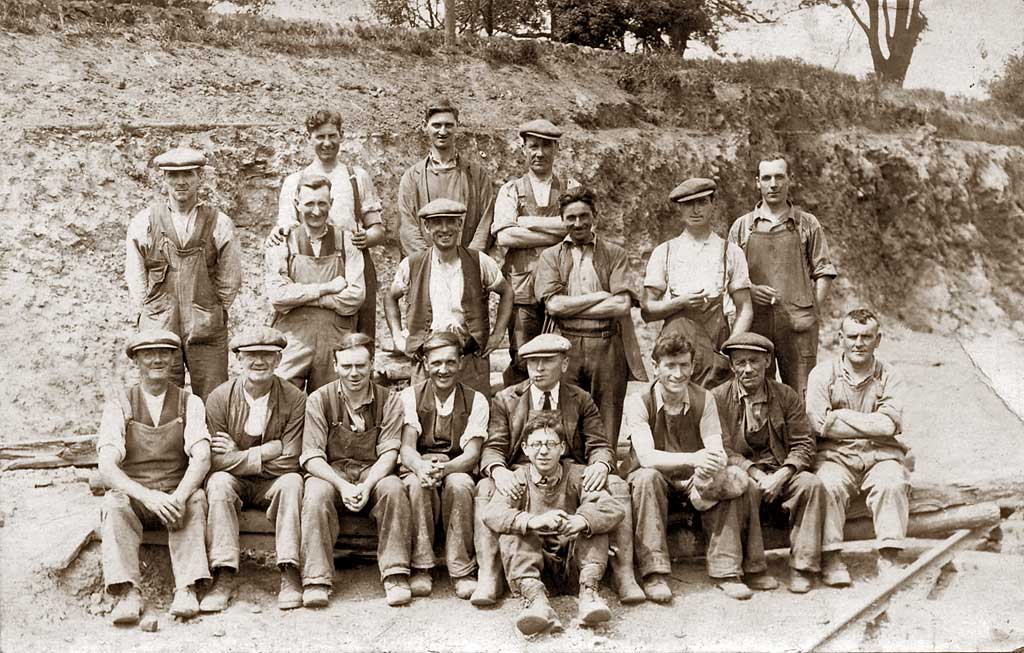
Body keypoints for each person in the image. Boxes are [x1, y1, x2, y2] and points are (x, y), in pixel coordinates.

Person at [474, 333, 645, 607]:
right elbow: (494, 446)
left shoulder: (580, 398)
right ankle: (490, 573)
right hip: (522, 478)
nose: (538, 369)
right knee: (485, 488)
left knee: (616, 485)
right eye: (532, 363)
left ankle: (624, 572)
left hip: (569, 476)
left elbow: (599, 444)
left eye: (546, 362)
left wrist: (600, 464)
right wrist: (498, 470)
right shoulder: (506, 399)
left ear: (564, 364)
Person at [625, 331, 775, 602]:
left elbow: (715, 448)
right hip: (656, 479)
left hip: (693, 478)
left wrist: (706, 470)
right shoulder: (639, 401)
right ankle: (654, 572)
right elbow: (647, 457)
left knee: (729, 478)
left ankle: (727, 571)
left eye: (684, 365)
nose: (678, 374)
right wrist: (696, 459)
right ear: (656, 367)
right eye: (670, 366)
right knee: (647, 478)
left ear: (693, 367)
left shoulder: (704, 399)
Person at [97, 329, 211, 624]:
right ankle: (127, 593)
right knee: (113, 504)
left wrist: (179, 496)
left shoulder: (191, 403)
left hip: (175, 495)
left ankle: (186, 588)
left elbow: (201, 456)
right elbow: (107, 466)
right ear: (136, 360)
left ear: (174, 358)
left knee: (196, 499)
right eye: (149, 354)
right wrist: (147, 496)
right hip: (137, 496)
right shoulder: (120, 404)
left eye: (164, 353)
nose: (157, 359)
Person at [298, 333, 413, 607]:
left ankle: (395, 574)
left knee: (394, 488)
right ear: (335, 366)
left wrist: (367, 484)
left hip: (373, 472)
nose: (354, 373)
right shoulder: (318, 400)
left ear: (371, 364)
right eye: (347, 366)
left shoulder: (390, 400)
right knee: (315, 492)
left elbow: (390, 453)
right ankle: (316, 579)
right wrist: (342, 485)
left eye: (360, 366)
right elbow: (312, 457)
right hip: (332, 472)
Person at [483, 412, 623, 635]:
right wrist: (533, 521)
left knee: (593, 524)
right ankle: (536, 602)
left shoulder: (579, 475)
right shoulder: (518, 478)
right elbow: (492, 513)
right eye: (537, 444)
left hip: (576, 565)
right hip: (537, 568)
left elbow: (613, 509)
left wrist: (581, 520)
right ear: (526, 449)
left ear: (563, 447)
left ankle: (589, 595)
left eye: (550, 444)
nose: (544, 451)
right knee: (515, 528)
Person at [201, 327, 306, 612]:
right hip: (235, 481)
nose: (258, 362)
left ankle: (289, 571)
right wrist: (266, 451)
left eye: (267, 355)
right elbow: (214, 461)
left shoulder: (295, 398)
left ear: (278, 360)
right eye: (250, 355)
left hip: (273, 483)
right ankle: (223, 574)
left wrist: (238, 454)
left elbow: (291, 460)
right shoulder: (219, 398)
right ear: (238, 359)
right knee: (218, 483)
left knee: (293, 482)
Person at [712, 332, 827, 593]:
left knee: (810, 484)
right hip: (745, 473)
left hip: (780, 471)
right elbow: (722, 447)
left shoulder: (786, 396)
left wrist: (783, 474)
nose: (748, 369)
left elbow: (804, 443)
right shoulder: (718, 398)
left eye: (754, 361)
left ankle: (803, 567)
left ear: (767, 361)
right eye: (740, 362)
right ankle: (752, 569)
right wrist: (754, 473)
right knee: (743, 486)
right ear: (731, 366)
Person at [534, 186, 647, 450]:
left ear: (595, 215)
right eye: (570, 218)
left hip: (607, 344)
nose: (578, 223)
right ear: (562, 220)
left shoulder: (614, 253)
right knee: (567, 416)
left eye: (584, 215)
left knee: (607, 418)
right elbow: (554, 306)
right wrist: (598, 296)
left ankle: (606, 470)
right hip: (566, 346)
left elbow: (621, 305)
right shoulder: (550, 257)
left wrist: (573, 307)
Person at [125, 147, 242, 400]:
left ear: (200, 176)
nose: (181, 181)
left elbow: (230, 279)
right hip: (160, 330)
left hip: (206, 330)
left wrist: (211, 310)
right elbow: (135, 278)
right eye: (173, 175)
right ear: (163, 178)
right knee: (161, 400)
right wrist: (151, 314)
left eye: (187, 174)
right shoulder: (144, 222)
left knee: (215, 399)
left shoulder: (219, 223)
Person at [807, 309, 909, 579]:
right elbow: (818, 424)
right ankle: (832, 559)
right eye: (852, 336)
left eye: (867, 336)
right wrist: (870, 423)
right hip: (835, 456)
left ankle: (889, 558)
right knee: (826, 485)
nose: (859, 343)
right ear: (840, 338)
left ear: (878, 339)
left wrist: (838, 417)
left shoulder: (890, 375)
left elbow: (889, 425)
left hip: (881, 455)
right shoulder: (822, 374)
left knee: (893, 482)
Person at [273, 110, 386, 346]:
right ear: (309, 138)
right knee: (305, 342)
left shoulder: (356, 177)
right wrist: (277, 233)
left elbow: (378, 229)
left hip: (352, 266)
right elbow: (284, 228)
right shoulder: (295, 181)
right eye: (319, 137)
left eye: (332, 136)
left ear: (341, 136)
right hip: (308, 266)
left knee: (360, 341)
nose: (326, 143)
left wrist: (366, 238)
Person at [729, 154, 837, 397]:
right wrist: (751, 291)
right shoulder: (742, 226)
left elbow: (824, 271)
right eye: (766, 178)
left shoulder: (807, 224)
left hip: (798, 324)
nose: (773, 184)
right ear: (757, 182)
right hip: (755, 322)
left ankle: (801, 436)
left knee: (801, 392)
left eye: (779, 176)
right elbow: (729, 277)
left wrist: (812, 311)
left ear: (790, 179)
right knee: (756, 391)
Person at [384, 198, 513, 396]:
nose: (444, 229)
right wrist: (397, 336)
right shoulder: (412, 264)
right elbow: (390, 297)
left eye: (451, 221)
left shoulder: (479, 261)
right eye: (437, 222)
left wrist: (497, 334)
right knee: (424, 417)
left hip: (470, 359)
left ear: (460, 224)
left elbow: (506, 292)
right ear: (427, 227)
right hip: (427, 360)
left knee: (474, 415)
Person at [398, 331, 488, 599]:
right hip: (419, 465)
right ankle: (421, 567)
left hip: (456, 466)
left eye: (450, 362)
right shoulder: (409, 396)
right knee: (416, 484)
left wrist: (444, 469)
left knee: (460, 486)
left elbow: (472, 454)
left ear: (460, 362)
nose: (443, 369)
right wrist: (421, 468)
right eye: (436, 363)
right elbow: (406, 447)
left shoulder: (476, 400)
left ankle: (461, 569)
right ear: (425, 364)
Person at [642, 177, 752, 389]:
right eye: (688, 204)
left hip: (715, 351)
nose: (695, 210)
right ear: (679, 209)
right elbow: (647, 310)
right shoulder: (665, 252)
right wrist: (680, 303)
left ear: (713, 205)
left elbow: (745, 307)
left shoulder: (730, 251)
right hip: (674, 352)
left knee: (716, 411)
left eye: (702, 202)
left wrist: (730, 348)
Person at [492, 119, 580, 386]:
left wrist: (526, 221)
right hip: (522, 290)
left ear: (555, 149)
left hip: (563, 288)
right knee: (522, 357)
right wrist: (557, 230)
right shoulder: (510, 190)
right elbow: (505, 235)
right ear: (524, 149)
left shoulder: (571, 188)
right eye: (533, 146)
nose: (539, 153)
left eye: (545, 146)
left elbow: (577, 228)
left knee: (563, 356)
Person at [266, 172, 365, 393]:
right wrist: (327, 288)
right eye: (309, 204)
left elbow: (355, 297)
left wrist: (302, 298)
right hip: (293, 340)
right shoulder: (282, 241)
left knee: (332, 405)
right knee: (282, 399)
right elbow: (278, 296)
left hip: (335, 340)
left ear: (331, 203)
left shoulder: (347, 241)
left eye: (322, 203)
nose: (316, 211)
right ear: (297, 204)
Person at [397, 96, 494, 256]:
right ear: (424, 126)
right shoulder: (412, 177)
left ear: (458, 126)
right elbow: (407, 228)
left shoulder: (477, 175)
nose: (442, 131)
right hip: (425, 266)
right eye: (436, 125)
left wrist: (467, 261)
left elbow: (485, 224)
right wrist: (431, 263)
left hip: (467, 265)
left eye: (448, 125)